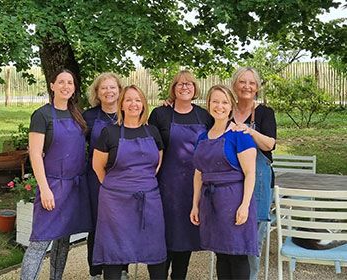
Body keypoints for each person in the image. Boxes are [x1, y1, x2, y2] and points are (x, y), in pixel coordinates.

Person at [20, 69, 92, 280]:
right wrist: (44, 189)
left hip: (74, 187)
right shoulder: (41, 115)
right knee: (39, 242)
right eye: (61, 82)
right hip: (52, 186)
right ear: (52, 86)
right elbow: (35, 154)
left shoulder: (77, 114)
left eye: (69, 82)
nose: (65, 86)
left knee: (63, 241)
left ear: (74, 87)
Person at [92, 85, 167, 280]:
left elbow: (157, 164)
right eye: (129, 100)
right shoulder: (110, 133)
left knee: (155, 249)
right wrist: (116, 189)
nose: (133, 104)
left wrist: (140, 184)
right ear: (122, 105)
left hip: (149, 199)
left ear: (143, 104)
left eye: (138, 100)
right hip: (115, 203)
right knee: (114, 252)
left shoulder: (153, 132)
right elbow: (97, 166)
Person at [149, 70, 213, 279]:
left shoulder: (204, 116)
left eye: (189, 84)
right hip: (165, 186)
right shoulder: (160, 114)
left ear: (195, 89)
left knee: (185, 238)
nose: (185, 87)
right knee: (161, 237)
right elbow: (150, 148)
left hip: (193, 187)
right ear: (173, 89)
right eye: (180, 84)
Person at [190, 85, 258, 280]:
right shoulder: (202, 137)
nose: (219, 106)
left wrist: (244, 206)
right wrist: (195, 204)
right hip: (211, 203)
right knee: (220, 253)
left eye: (224, 102)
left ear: (231, 107)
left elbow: (250, 173)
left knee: (236, 255)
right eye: (215, 101)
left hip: (234, 200)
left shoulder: (240, 136)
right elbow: (198, 173)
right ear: (209, 104)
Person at [231, 67, 277, 280]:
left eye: (251, 83)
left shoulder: (266, 113)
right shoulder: (225, 109)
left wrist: (249, 130)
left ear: (257, 87)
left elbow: (269, 144)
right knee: (229, 237)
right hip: (229, 183)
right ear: (234, 85)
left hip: (257, 183)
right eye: (242, 82)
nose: (246, 86)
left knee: (252, 242)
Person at [83, 73, 129, 280]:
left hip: (124, 178)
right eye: (104, 88)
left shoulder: (129, 114)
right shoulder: (88, 117)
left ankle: (122, 270)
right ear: (97, 93)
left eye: (113, 88)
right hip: (96, 178)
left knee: (123, 224)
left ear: (120, 91)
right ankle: (95, 272)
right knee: (97, 225)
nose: (109, 92)